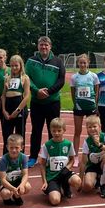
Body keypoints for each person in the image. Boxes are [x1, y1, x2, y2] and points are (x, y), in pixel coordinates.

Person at [26, 36, 66, 168]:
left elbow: (61, 81)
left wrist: (48, 92)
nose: (44, 47)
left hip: (53, 102)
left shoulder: (58, 62)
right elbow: (26, 78)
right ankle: (33, 157)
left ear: (50, 46)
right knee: (36, 130)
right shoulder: (31, 61)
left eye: (46, 45)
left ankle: (52, 156)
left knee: (53, 130)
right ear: (38, 46)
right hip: (36, 102)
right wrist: (37, 91)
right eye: (41, 45)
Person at [38, 118, 81, 206]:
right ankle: (51, 188)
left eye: (59, 130)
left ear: (64, 130)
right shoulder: (47, 145)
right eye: (54, 131)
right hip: (52, 176)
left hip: (64, 173)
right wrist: (44, 181)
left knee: (77, 181)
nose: (56, 133)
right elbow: (42, 164)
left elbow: (72, 159)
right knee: (55, 200)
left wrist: (67, 168)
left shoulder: (68, 144)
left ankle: (65, 186)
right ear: (50, 131)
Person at [70, 53, 100, 167]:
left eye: (84, 63)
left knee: (92, 131)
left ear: (88, 63)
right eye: (80, 63)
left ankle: (93, 154)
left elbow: (97, 92)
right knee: (77, 131)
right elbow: (73, 93)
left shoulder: (93, 76)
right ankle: (76, 156)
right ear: (78, 63)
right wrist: (76, 104)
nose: (82, 65)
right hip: (78, 107)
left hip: (91, 107)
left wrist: (95, 105)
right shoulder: (74, 77)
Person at [80, 115, 105, 198]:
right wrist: (80, 179)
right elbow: (84, 161)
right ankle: (97, 179)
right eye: (89, 127)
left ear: (99, 127)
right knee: (87, 187)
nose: (92, 129)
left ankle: (103, 185)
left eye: (94, 126)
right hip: (92, 165)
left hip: (103, 163)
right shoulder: (87, 141)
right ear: (87, 129)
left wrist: (99, 145)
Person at [1, 55, 30, 154]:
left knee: (20, 134)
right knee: (6, 134)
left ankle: (20, 158)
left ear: (21, 65)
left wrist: (17, 110)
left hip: (19, 107)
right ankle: (6, 157)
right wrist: (4, 110)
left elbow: (26, 97)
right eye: (12, 65)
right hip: (8, 106)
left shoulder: (25, 78)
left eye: (16, 65)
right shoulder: (7, 78)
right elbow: (3, 95)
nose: (14, 68)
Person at [0, 134, 31, 206]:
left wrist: (22, 185)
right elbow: (3, 179)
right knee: (5, 193)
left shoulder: (23, 157)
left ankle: (16, 196)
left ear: (21, 147)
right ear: (7, 147)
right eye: (11, 147)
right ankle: (7, 199)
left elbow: (25, 174)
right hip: (7, 183)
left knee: (27, 187)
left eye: (16, 147)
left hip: (18, 181)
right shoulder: (4, 160)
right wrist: (13, 189)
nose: (14, 150)